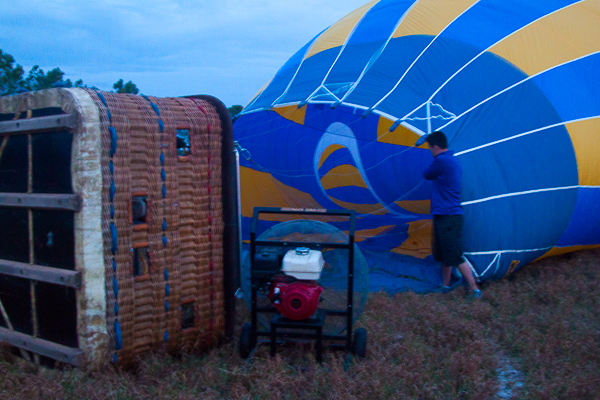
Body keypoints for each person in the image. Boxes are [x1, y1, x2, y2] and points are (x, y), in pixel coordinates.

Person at [423, 131, 481, 298]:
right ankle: (446, 285)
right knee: (444, 253)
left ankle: (475, 289)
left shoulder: (441, 160)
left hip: (448, 215)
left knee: (454, 255)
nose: (430, 151)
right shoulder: (453, 160)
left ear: (435, 147)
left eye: (430, 148)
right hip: (446, 214)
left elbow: (427, 174)